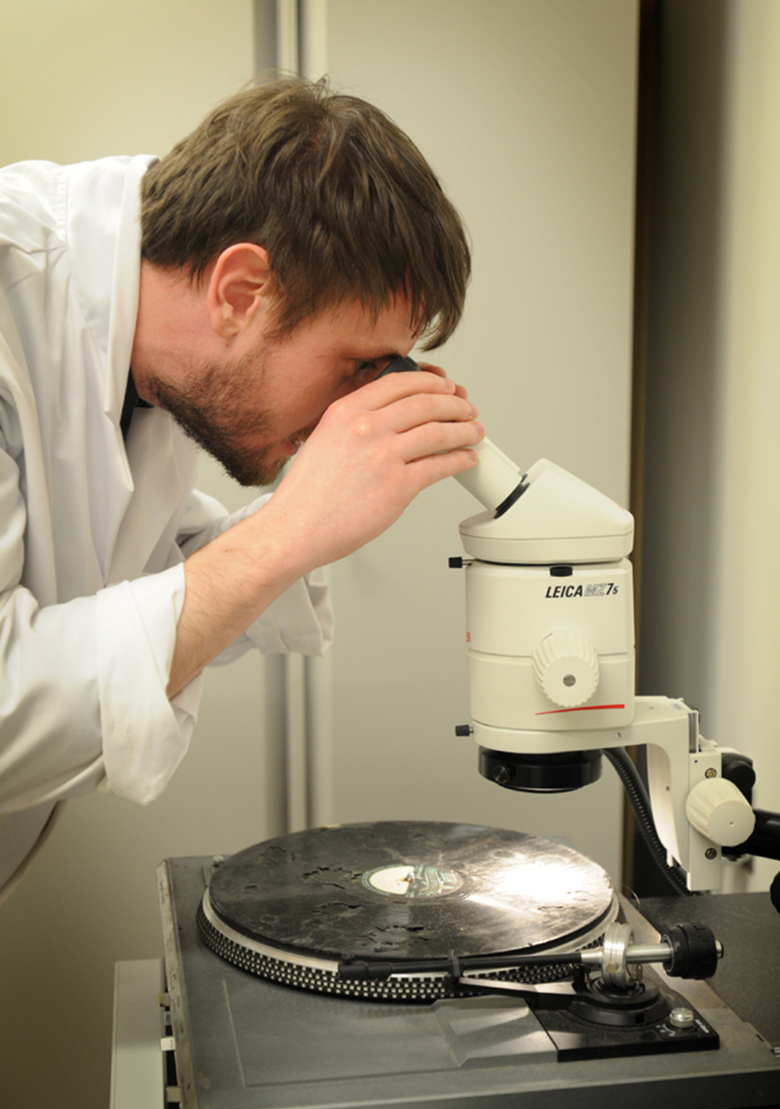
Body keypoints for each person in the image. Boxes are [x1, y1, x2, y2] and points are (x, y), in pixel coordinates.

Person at [0, 77, 483, 898]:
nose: (358, 404)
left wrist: (320, 521)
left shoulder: (155, 344)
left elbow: (139, 576)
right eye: (355, 365)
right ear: (240, 292)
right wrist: (292, 525)